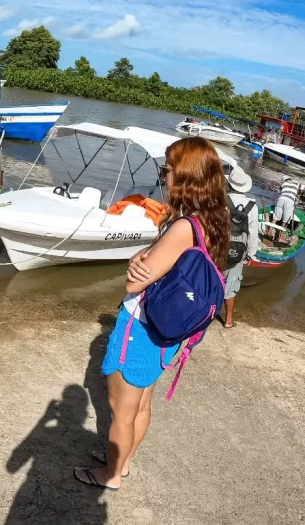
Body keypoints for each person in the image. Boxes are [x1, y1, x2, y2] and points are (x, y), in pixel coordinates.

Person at [74, 137, 230, 491]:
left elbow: (134, 285)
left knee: (121, 409)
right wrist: (148, 254)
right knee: (142, 401)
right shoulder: (213, 220)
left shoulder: (181, 226)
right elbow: (167, 259)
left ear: (186, 176)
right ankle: (123, 461)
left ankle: (110, 475)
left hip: (141, 328)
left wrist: (138, 263)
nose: (164, 177)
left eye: (168, 170)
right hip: (168, 332)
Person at [222, 163, 259, 329]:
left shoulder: (223, 200)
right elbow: (253, 232)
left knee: (212, 279)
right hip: (238, 251)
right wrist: (251, 253)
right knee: (231, 284)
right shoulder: (252, 205)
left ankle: (204, 315)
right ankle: (229, 320)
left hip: (219, 247)